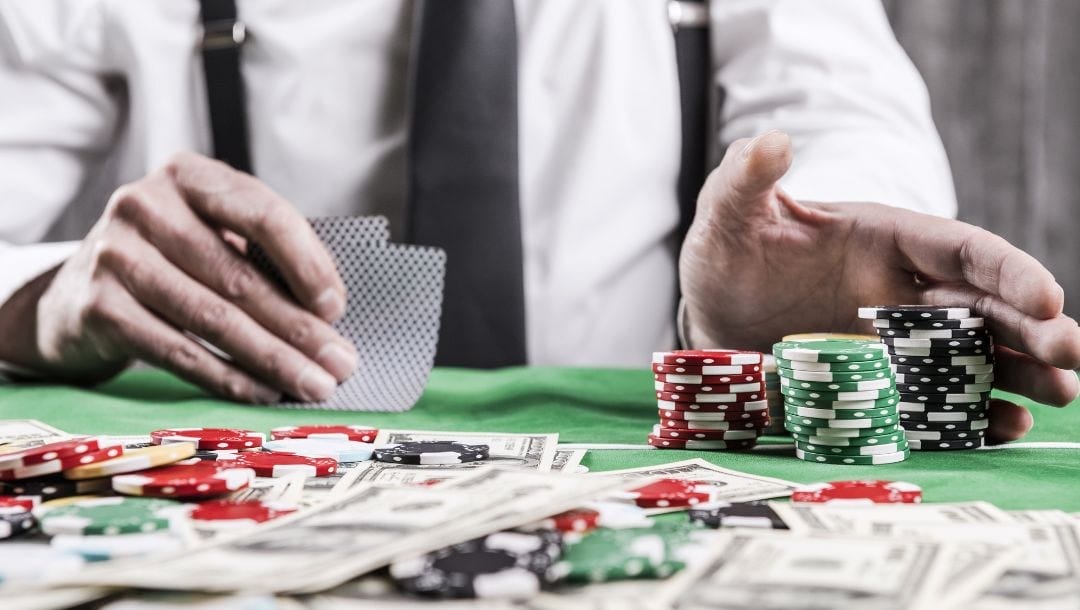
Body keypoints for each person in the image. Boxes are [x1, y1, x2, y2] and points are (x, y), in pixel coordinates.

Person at [0, 1, 1076, 445]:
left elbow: (847, 117)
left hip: (656, 464)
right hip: (288, 474)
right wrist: (46, 296)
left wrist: (804, 256)